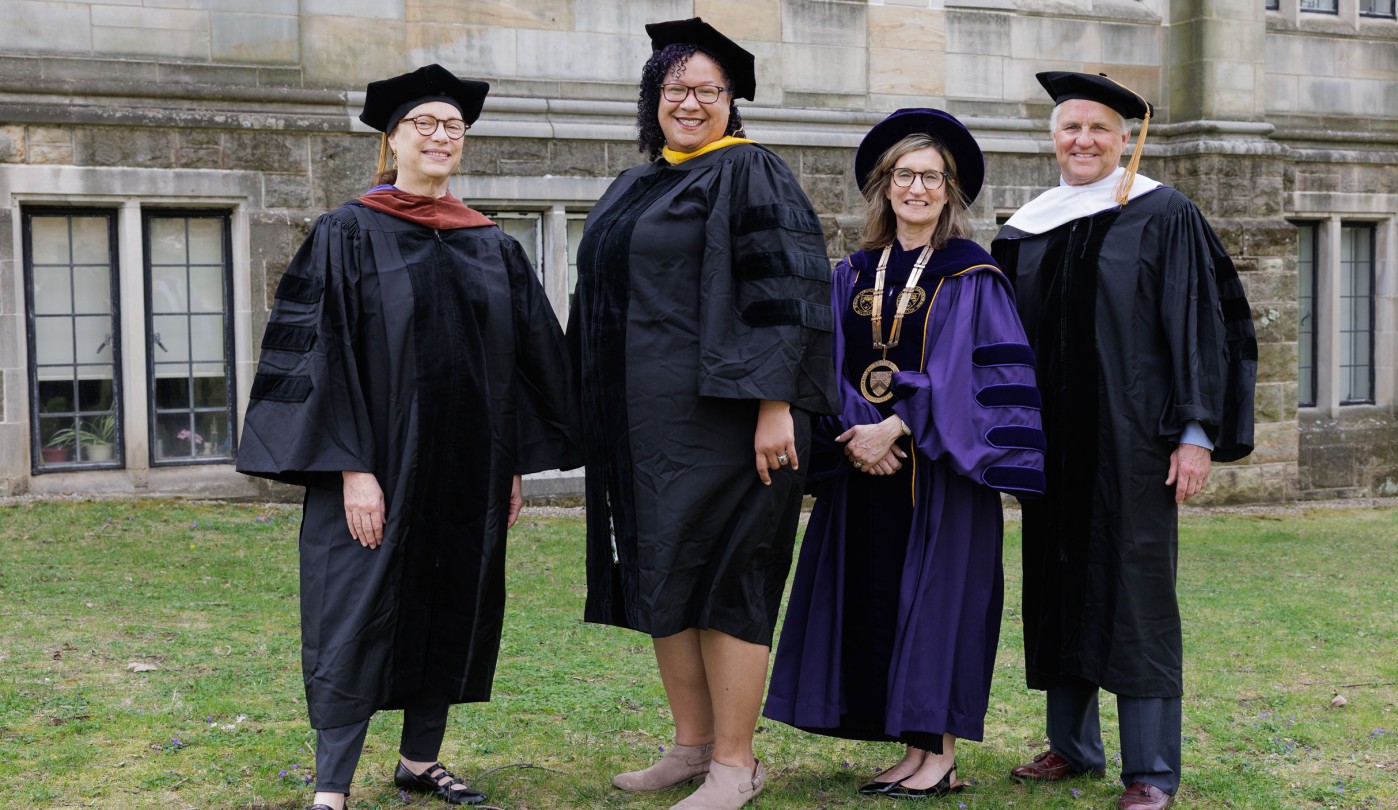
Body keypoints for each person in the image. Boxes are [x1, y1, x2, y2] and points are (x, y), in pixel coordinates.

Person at [236, 64, 580, 810]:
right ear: (391, 140)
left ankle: (420, 760)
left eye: (452, 126)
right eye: (423, 124)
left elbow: (524, 363)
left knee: (454, 599)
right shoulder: (345, 234)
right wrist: (350, 469)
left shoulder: (492, 245)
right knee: (353, 613)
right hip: (375, 467)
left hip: (467, 470)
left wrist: (512, 461)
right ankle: (332, 785)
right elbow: (315, 356)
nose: (440, 136)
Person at [569, 17, 837, 810]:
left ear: (732, 101)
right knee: (665, 576)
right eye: (675, 88)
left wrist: (775, 406)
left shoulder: (751, 173)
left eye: (708, 90)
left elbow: (785, 291)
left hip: (731, 427)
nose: (690, 102)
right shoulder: (638, 183)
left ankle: (734, 762)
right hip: (647, 427)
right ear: (652, 99)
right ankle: (690, 746)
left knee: (729, 582)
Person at [990, 72, 1257, 810]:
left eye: (1099, 129)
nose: (1083, 141)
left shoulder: (1163, 213)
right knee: (1057, 585)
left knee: (1135, 596)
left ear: (1124, 138)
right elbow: (1001, 344)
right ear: (1053, 138)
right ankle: (1073, 748)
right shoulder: (1025, 228)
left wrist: (1195, 434)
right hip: (1051, 445)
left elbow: (1200, 325)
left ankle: (1151, 770)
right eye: (1070, 128)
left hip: (1135, 442)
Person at [763, 108, 1046, 799]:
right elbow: (823, 366)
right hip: (865, 471)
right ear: (883, 186)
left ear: (950, 191)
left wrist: (897, 427)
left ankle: (939, 757)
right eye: (903, 175)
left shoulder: (973, 274)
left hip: (944, 475)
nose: (916, 187)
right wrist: (859, 433)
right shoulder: (852, 273)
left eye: (930, 177)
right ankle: (911, 750)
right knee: (881, 599)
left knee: (940, 606)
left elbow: (977, 375)